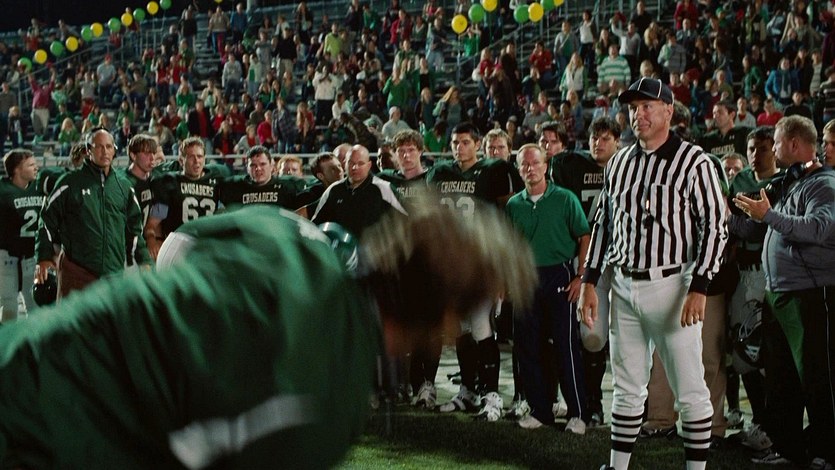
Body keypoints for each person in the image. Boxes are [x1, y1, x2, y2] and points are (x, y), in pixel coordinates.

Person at [0, 196, 537, 467]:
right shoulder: (327, 398)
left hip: (28, 350)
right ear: (443, 321)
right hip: (41, 438)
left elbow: (187, 245)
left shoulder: (289, 233)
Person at [579, 78, 728, 470]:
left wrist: (700, 286)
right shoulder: (619, 162)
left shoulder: (695, 161)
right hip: (624, 282)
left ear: (668, 110)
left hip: (673, 284)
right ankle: (617, 466)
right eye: (633, 108)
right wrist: (590, 279)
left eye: (647, 106)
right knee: (626, 387)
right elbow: (603, 224)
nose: (638, 114)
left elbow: (716, 226)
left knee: (690, 389)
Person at [732, 115, 835, 469]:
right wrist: (726, 217)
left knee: (818, 377)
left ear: (793, 144)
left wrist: (769, 216)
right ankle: (788, 448)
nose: (773, 149)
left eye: (776, 142)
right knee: (781, 378)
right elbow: (757, 228)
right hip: (780, 294)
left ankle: (827, 451)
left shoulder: (824, 184)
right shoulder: (791, 184)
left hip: (810, 294)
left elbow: (818, 229)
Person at [427, 122, 523, 421]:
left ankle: (491, 395)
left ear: (477, 144)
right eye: (455, 142)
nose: (459, 147)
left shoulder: (493, 170)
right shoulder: (440, 173)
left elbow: (507, 217)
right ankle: (468, 390)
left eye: (465, 142)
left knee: (481, 326)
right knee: (461, 329)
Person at [506, 143, 590, 435]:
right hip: (525, 278)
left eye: (535, 163)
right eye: (524, 164)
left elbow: (584, 235)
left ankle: (578, 413)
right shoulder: (514, 204)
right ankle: (540, 411)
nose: (530, 168)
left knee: (566, 347)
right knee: (527, 347)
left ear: (546, 166)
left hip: (558, 275)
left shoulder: (565, 198)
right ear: (519, 169)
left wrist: (580, 275)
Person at [552, 117, 622, 428]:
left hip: (623, 261)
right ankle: (592, 403)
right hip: (589, 262)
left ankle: (640, 408)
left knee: (631, 340)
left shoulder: (629, 166)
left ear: (618, 142)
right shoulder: (572, 166)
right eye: (595, 137)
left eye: (606, 138)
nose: (598, 143)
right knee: (592, 336)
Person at [34, 128, 151, 299]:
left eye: (109, 147)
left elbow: (134, 229)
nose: (105, 151)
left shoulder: (124, 186)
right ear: (88, 150)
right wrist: (43, 257)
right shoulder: (70, 183)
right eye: (99, 147)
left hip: (114, 274)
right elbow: (46, 220)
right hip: (77, 273)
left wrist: (144, 259)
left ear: (114, 150)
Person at [144, 137, 221, 261]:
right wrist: (152, 239)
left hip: (205, 247)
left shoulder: (216, 181)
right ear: (181, 160)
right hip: (178, 247)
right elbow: (154, 222)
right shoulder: (170, 182)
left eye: (200, 156)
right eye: (191, 157)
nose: (196, 161)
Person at [311, 144, 407, 237]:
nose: (355, 168)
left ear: (369, 165)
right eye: (351, 163)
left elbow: (409, 216)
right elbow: (315, 225)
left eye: (360, 163)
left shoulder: (384, 188)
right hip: (342, 247)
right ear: (345, 164)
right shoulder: (334, 190)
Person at [0, 149, 42, 321]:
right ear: (17, 169)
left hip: (32, 257)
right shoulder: (3, 190)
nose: (36, 168)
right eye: (30, 165)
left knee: (35, 305)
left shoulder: (40, 186)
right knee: (9, 306)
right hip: (6, 256)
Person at [218, 146, 303, 212]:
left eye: (263, 164)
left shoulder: (287, 187)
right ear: (247, 168)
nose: (258, 168)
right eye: (253, 165)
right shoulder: (235, 187)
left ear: (271, 166)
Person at [125, 135, 158, 229]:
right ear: (133, 155)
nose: (152, 158)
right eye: (147, 153)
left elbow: (161, 209)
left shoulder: (157, 179)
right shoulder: (123, 182)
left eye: (153, 153)